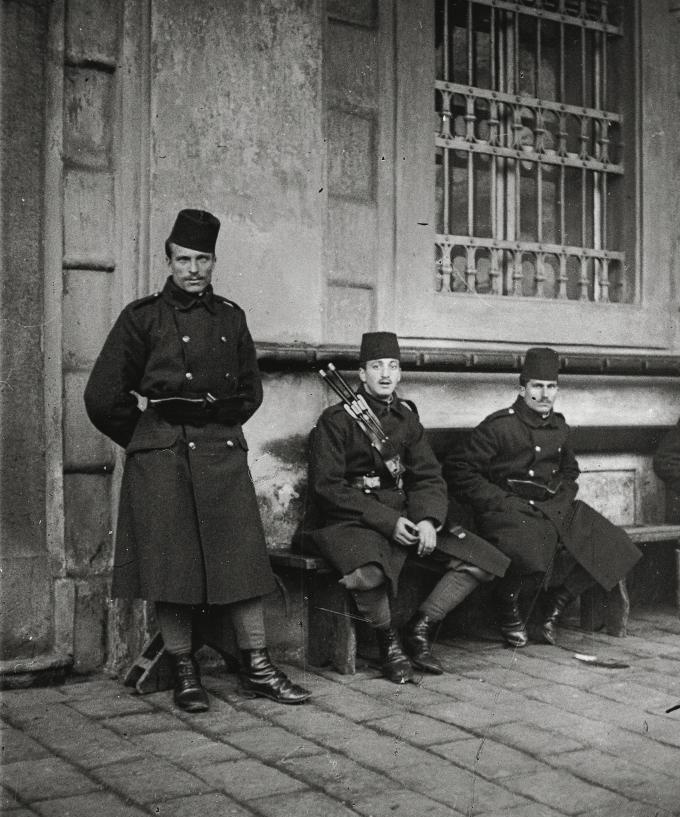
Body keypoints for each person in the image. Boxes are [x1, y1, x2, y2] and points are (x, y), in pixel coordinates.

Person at [84, 208, 310, 712]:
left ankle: (258, 667)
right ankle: (185, 672)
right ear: (168, 260)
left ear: (213, 262)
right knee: (172, 566)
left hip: (219, 449)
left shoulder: (231, 317)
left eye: (202, 259)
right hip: (162, 453)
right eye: (183, 258)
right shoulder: (141, 318)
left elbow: (250, 390)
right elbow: (102, 397)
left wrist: (221, 422)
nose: (192, 268)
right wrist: (147, 438)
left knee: (244, 562)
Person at [306, 332, 510, 683]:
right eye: (376, 366)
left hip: (406, 515)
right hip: (352, 517)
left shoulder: (406, 418)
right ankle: (389, 644)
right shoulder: (336, 421)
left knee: (483, 559)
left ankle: (419, 629)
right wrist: (388, 521)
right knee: (368, 571)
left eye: (392, 366)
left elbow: (428, 476)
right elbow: (328, 487)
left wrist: (428, 519)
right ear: (362, 374)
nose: (385, 374)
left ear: (400, 373)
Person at [444, 347, 642, 648]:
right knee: (531, 548)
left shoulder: (559, 427)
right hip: (508, 510)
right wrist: (499, 500)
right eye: (537, 386)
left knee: (613, 543)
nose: (544, 394)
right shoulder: (499, 426)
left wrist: (562, 495)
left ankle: (553, 607)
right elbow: (459, 470)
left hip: (552, 506)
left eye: (551, 387)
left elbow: (569, 469)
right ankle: (508, 608)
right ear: (522, 389)